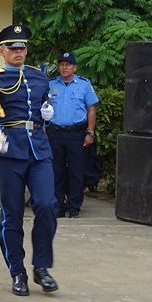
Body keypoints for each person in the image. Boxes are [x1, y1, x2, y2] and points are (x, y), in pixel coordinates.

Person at [0, 23, 59, 297]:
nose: (18, 52)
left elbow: (44, 107)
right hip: (9, 149)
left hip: (39, 149)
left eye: (22, 47)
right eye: (12, 48)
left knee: (47, 204)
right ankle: (17, 272)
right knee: (12, 214)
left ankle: (41, 266)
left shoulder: (39, 77)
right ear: (1, 51)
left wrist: (49, 114)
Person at [47, 52, 99, 218]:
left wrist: (90, 132)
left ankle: (74, 206)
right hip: (55, 132)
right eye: (62, 64)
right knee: (56, 170)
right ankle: (58, 205)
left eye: (68, 64)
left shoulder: (84, 85)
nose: (64, 67)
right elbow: (43, 109)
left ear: (74, 67)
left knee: (76, 171)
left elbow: (91, 110)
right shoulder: (50, 85)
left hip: (76, 133)